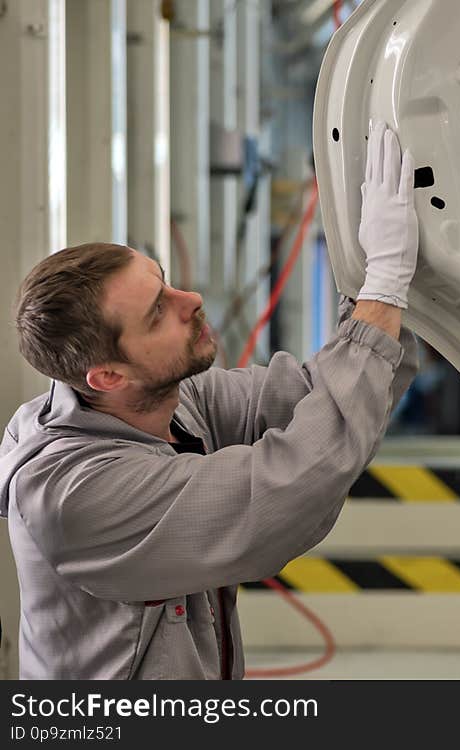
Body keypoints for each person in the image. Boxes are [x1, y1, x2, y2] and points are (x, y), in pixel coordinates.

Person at [0, 121, 419, 679]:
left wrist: (375, 275)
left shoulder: (177, 402)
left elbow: (333, 395)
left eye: (165, 281)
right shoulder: (73, 494)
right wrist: (383, 285)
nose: (190, 299)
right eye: (157, 311)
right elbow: (290, 487)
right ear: (107, 375)